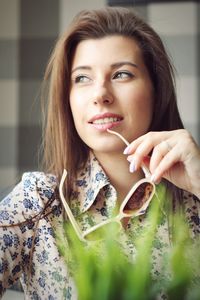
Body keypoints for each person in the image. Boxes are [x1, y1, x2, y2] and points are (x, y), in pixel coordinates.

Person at [0, 6, 200, 299]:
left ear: (156, 90)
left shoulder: (194, 200)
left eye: (121, 74)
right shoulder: (37, 202)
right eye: (82, 78)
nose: (100, 94)